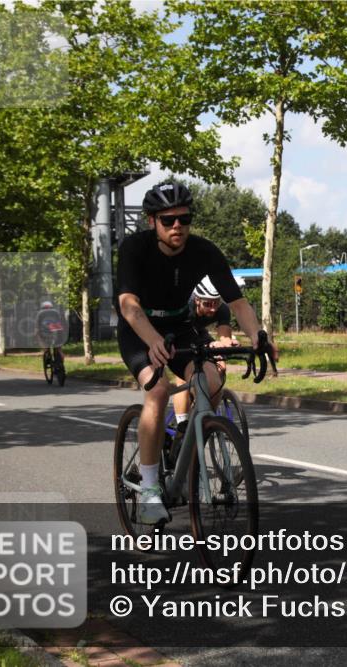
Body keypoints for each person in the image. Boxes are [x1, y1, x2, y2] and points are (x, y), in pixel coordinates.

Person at [116, 180, 276, 524]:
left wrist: (259, 335)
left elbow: (238, 302)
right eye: (168, 220)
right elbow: (128, 305)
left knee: (213, 381)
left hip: (179, 327)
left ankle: (186, 457)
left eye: (184, 219)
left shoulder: (204, 251)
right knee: (157, 391)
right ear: (152, 221)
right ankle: (147, 489)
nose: (178, 226)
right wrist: (152, 340)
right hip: (138, 330)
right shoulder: (134, 248)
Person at [170, 276, 237, 434]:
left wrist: (227, 344)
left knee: (220, 363)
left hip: (199, 333)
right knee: (185, 371)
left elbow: (224, 336)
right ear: (197, 300)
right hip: (179, 334)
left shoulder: (222, 309)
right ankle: (182, 423)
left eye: (216, 303)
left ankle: (204, 409)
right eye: (208, 304)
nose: (213, 308)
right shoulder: (186, 307)